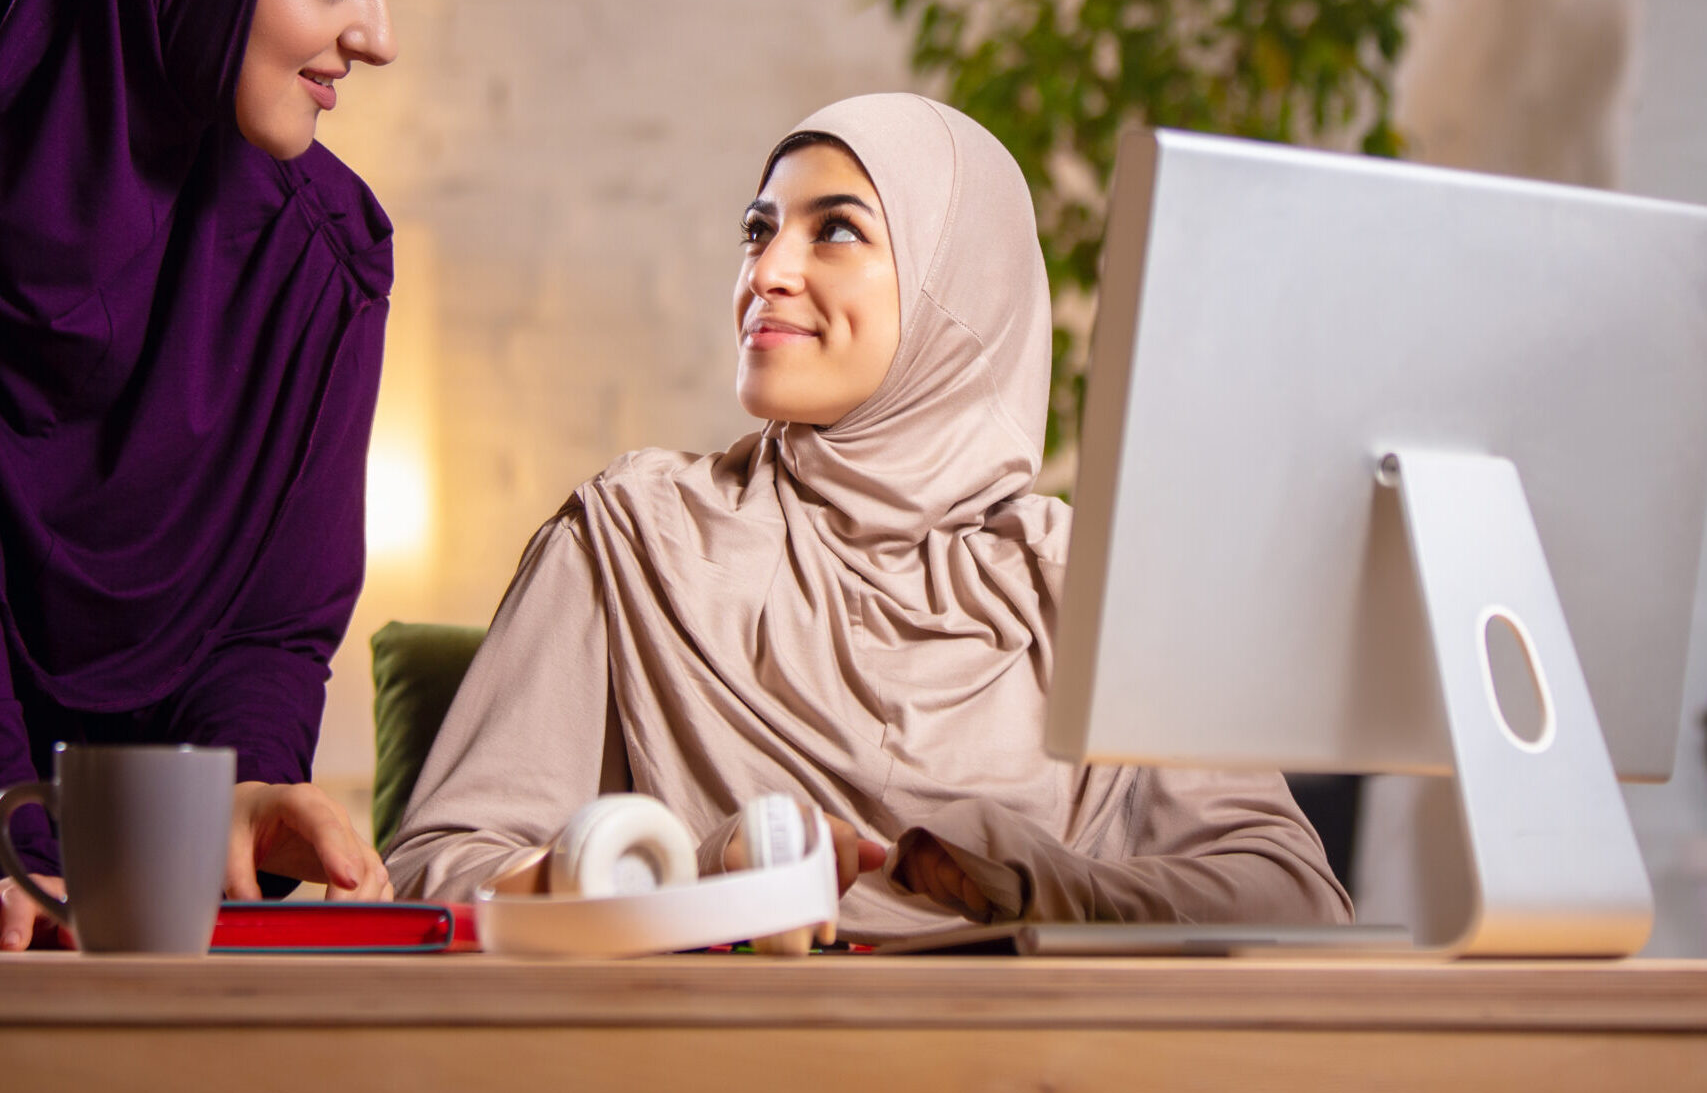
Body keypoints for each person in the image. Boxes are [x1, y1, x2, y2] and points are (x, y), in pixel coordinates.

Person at [386, 93, 1351, 938]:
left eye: (834, 230)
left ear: (958, 290)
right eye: (759, 229)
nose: (766, 272)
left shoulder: (1091, 583)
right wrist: (686, 877)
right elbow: (437, 870)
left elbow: (1288, 891)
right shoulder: (634, 536)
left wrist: (1045, 884)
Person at [0, 0, 412, 950]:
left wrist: (240, 791)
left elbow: (276, 625)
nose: (379, 37)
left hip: (143, 916)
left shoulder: (327, 264)